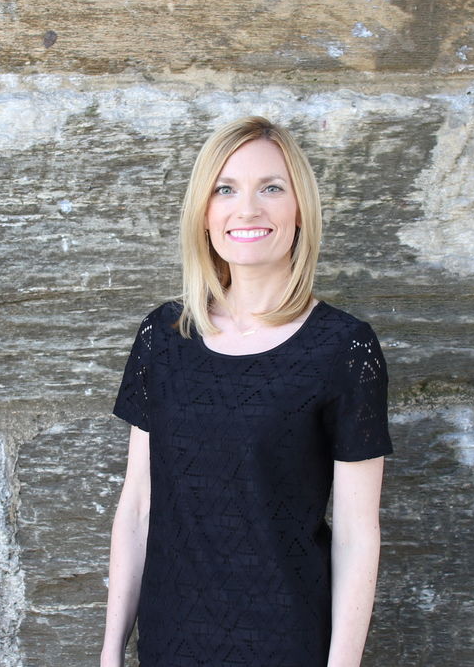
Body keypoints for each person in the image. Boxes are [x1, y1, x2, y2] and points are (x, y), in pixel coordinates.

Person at [100, 116, 392, 667]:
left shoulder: (343, 347)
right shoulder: (164, 336)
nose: (248, 209)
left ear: (300, 209)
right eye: (226, 189)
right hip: (169, 645)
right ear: (204, 212)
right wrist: (111, 649)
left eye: (272, 188)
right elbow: (138, 504)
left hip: (288, 644)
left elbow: (357, 535)